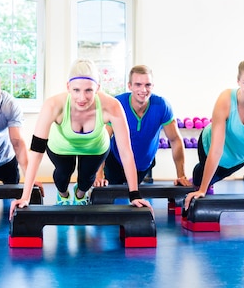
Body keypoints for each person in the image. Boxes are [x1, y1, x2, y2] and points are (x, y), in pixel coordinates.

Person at [10, 58, 151, 217]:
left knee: (86, 179)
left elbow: (126, 151)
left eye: (88, 90)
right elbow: (36, 152)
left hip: (95, 147)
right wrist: (25, 197)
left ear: (97, 88)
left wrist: (134, 195)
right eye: (76, 90)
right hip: (60, 146)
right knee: (63, 175)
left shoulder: (112, 105)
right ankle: (63, 195)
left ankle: (80, 194)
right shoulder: (53, 105)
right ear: (68, 87)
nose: (82, 98)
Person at [184, 58, 244, 210]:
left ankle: (207, 180)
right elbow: (216, 150)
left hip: (238, 157)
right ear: (238, 81)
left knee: (214, 178)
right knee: (200, 179)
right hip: (208, 146)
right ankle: (199, 179)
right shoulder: (225, 100)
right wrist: (202, 189)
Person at [96, 64, 192, 187]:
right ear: (129, 86)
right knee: (109, 198)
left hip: (143, 165)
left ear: (153, 86)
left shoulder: (162, 106)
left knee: (134, 199)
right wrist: (99, 175)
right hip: (116, 161)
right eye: (138, 85)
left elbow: (175, 140)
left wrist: (181, 176)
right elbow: (104, 139)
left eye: (147, 85)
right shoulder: (118, 104)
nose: (143, 90)